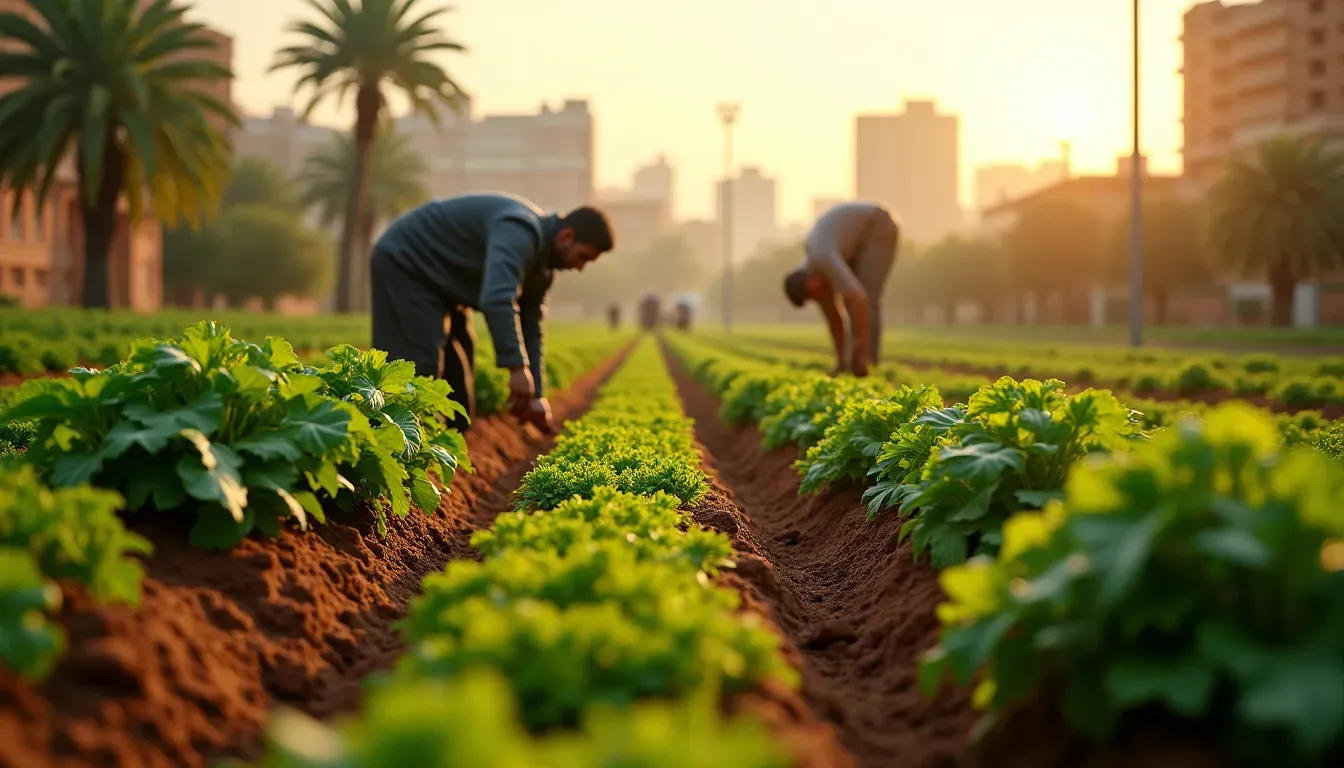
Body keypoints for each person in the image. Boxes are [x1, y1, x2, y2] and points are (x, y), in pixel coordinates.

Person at [370, 192, 616, 434]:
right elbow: (497, 299)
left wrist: (536, 396)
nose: (580, 267)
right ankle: (394, 447)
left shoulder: (542, 273)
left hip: (445, 283)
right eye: (582, 256)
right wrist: (517, 369)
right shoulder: (519, 231)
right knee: (420, 363)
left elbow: (532, 330)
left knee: (459, 381)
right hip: (407, 260)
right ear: (566, 236)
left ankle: (449, 451)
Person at [782, 202, 900, 377]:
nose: (818, 300)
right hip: (852, 241)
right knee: (853, 301)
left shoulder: (822, 258)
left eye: (813, 297)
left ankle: (867, 364)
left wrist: (861, 341)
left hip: (877, 226)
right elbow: (834, 319)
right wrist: (840, 362)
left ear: (812, 286)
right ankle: (849, 364)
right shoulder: (816, 280)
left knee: (867, 297)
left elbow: (859, 297)